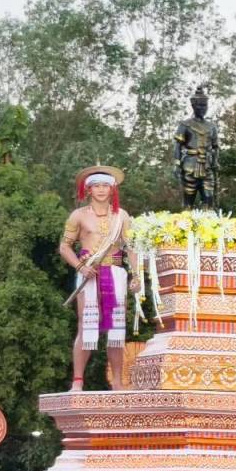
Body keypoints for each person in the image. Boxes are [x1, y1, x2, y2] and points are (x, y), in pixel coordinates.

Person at [59, 165, 138, 391]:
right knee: (86, 324)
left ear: (112, 189)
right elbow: (64, 247)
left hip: (115, 273)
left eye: (105, 185)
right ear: (89, 190)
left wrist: (136, 275)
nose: (101, 190)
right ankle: (78, 381)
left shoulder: (122, 216)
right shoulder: (78, 215)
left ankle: (117, 381)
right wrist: (80, 266)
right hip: (89, 274)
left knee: (116, 328)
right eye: (96, 186)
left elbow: (130, 247)